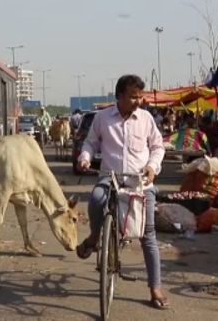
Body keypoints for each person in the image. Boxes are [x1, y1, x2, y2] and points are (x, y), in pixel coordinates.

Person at [76, 74, 169, 310]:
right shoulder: (102, 117)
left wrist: (152, 167)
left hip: (140, 182)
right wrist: (85, 157)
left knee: (148, 235)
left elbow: (158, 147)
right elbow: (90, 143)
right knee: (96, 199)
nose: (137, 101)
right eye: (132, 97)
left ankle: (155, 287)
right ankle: (96, 236)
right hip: (111, 178)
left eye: (140, 96)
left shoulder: (146, 119)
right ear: (119, 96)